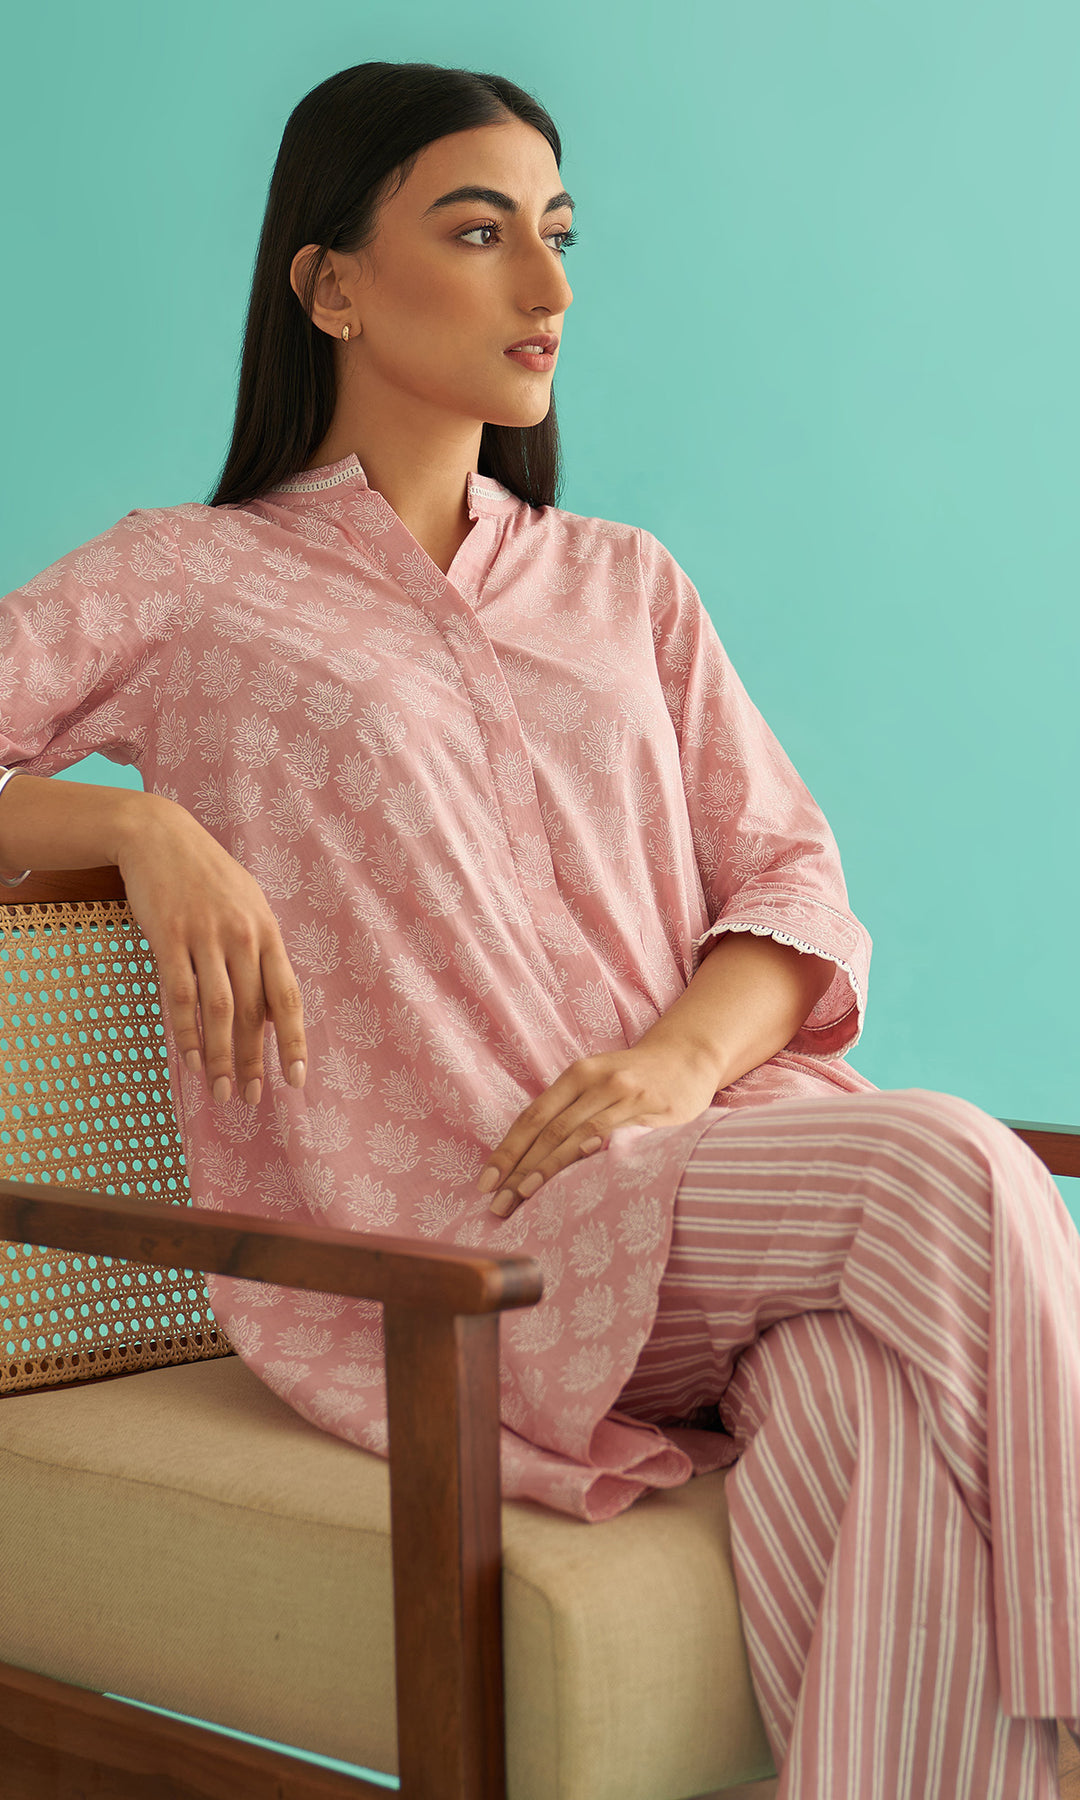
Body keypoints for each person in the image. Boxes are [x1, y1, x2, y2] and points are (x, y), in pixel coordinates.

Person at [1, 59, 1077, 1795]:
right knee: (951, 1164)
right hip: (473, 1243)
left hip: (716, 1174)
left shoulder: (627, 584)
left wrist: (675, 1065)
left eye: (559, 235)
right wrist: (131, 824)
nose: (547, 285)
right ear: (331, 286)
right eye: (480, 231)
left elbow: (790, 882)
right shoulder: (185, 579)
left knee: (860, 1416)